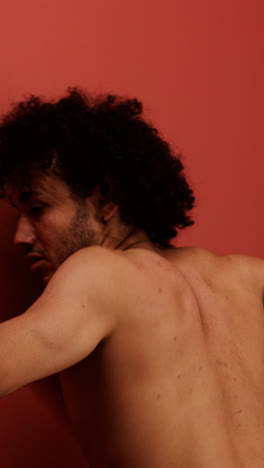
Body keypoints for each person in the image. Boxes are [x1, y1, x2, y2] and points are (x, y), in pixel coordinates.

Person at [0, 87, 263, 468]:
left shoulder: (102, 274)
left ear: (104, 199)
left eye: (38, 208)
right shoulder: (251, 278)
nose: (20, 236)